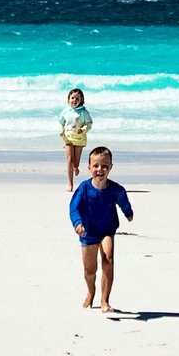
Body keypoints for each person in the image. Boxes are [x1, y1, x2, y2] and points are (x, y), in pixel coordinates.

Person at [68, 146, 134, 313]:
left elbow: (122, 199)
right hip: (88, 232)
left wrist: (128, 212)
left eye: (104, 166)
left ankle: (105, 300)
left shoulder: (115, 189)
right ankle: (91, 291)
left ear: (110, 167)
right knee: (90, 270)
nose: (100, 169)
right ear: (89, 167)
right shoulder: (84, 188)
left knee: (108, 258)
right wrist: (77, 223)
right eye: (96, 166)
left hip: (106, 231)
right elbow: (74, 208)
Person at [56, 87, 92, 187]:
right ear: (68, 99)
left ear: (81, 100)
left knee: (75, 163)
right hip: (68, 138)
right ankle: (70, 183)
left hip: (79, 139)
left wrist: (83, 129)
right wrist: (61, 130)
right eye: (72, 98)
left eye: (77, 98)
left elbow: (89, 124)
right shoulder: (66, 111)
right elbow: (61, 122)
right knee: (70, 160)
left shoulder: (84, 112)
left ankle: (76, 167)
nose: (74, 100)